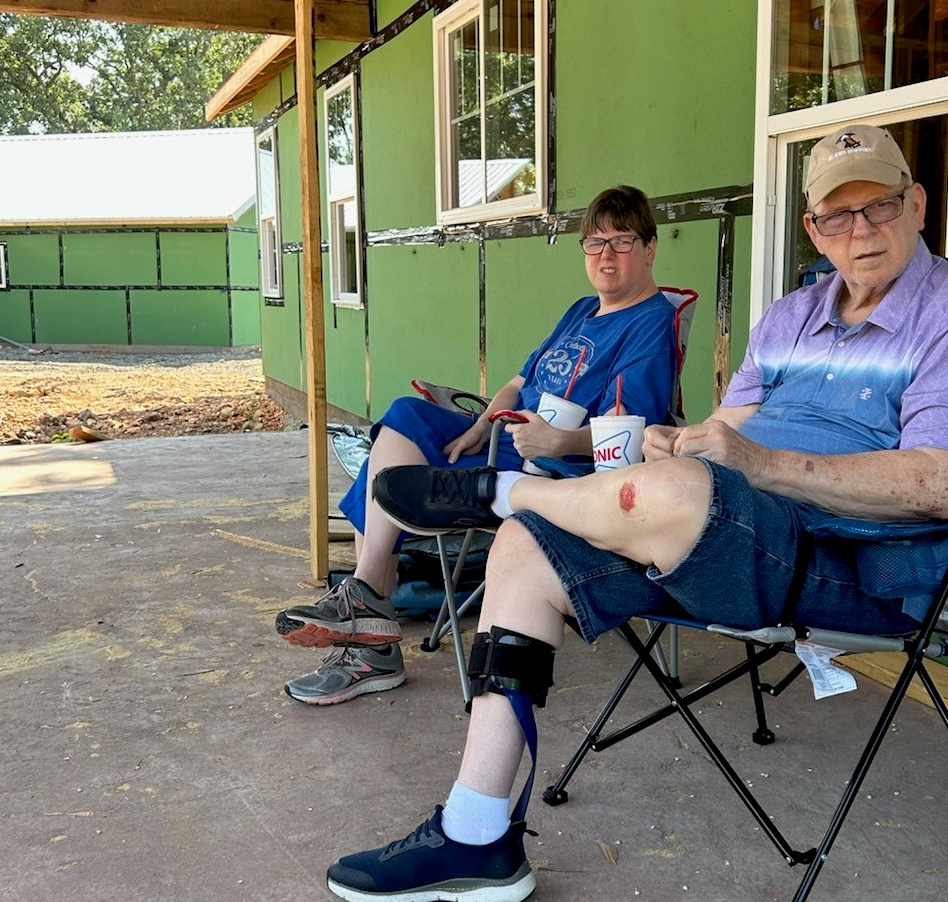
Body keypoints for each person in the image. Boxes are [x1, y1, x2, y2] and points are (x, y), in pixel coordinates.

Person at [321, 123, 948, 902]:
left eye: (879, 206)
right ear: (812, 228)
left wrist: (747, 464)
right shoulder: (792, 315)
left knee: (675, 490)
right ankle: (475, 833)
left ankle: (505, 490)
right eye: (837, 214)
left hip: (845, 562)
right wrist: (677, 442)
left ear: (917, 204)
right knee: (527, 545)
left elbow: (943, 487)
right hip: (724, 536)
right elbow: (729, 429)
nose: (859, 230)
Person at [277, 185, 682, 705]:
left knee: (388, 467)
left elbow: (628, 434)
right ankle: (369, 605)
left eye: (621, 241)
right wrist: (479, 425)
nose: (606, 255)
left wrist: (559, 440)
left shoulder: (650, 323)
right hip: (501, 436)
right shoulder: (582, 310)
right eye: (594, 242)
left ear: (650, 248)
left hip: (549, 466)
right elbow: (517, 383)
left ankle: (370, 631)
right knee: (403, 421)